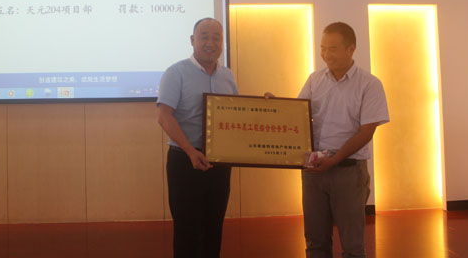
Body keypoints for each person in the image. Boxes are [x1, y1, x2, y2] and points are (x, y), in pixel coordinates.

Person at [267, 22, 389, 258]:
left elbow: (366, 132)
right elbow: (298, 115)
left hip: (349, 172)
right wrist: (276, 106)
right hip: (314, 171)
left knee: (352, 246)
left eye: (332, 48)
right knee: (315, 243)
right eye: (323, 48)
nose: (326, 54)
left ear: (351, 49)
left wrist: (334, 160)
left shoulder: (370, 84)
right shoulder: (315, 79)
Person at [157, 17, 238, 258]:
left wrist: (267, 107)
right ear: (192, 40)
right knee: (187, 231)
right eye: (204, 37)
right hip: (185, 161)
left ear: (222, 43)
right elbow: (164, 116)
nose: (210, 43)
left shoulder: (228, 76)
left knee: (214, 227)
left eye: (216, 38)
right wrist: (191, 152)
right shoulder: (176, 72)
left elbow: (236, 115)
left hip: (219, 163)